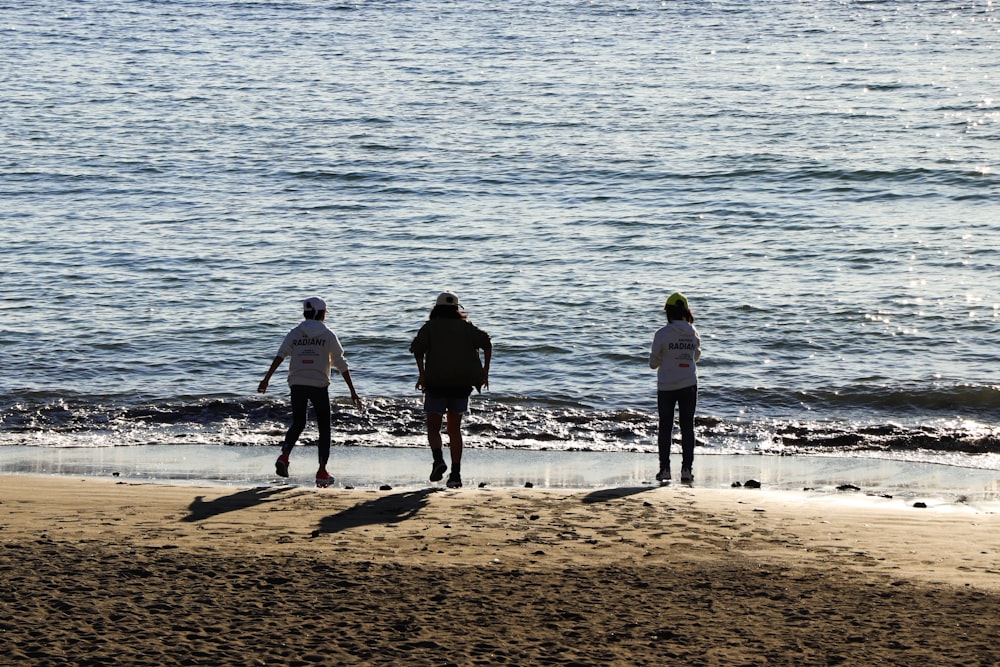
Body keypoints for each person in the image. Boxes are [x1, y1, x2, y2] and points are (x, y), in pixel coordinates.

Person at [258, 296, 363, 488]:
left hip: (296, 383)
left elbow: (280, 355)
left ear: (306, 313)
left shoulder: (294, 333)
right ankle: (322, 471)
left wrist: (266, 378)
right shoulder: (328, 335)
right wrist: (353, 392)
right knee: (324, 428)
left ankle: (284, 455)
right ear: (320, 314)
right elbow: (341, 363)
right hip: (319, 386)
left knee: (298, 422)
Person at [410, 291, 492, 489]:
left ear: (436, 308)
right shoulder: (467, 328)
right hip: (461, 385)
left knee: (433, 428)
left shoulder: (430, 327)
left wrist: (422, 374)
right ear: (457, 309)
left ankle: (438, 460)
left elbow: (417, 350)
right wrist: (484, 372)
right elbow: (487, 343)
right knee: (454, 430)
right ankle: (455, 474)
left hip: (436, 383)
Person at [649, 291, 701, 484]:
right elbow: (695, 357)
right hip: (689, 383)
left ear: (668, 312)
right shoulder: (693, 332)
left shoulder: (661, 334)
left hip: (666, 386)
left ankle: (664, 470)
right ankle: (687, 470)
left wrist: (664, 358)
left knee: (665, 427)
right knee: (688, 427)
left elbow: (653, 364)